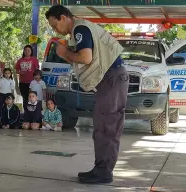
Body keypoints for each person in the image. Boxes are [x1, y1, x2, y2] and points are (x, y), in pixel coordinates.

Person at [45, 5, 128, 184]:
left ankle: (104, 172)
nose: (55, 30)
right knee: (102, 125)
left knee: (107, 126)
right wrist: (67, 53)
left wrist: (64, 53)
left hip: (111, 79)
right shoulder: (81, 29)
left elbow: (86, 57)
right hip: (111, 79)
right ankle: (100, 168)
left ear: (63, 17)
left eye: (54, 25)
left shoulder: (80, 29)